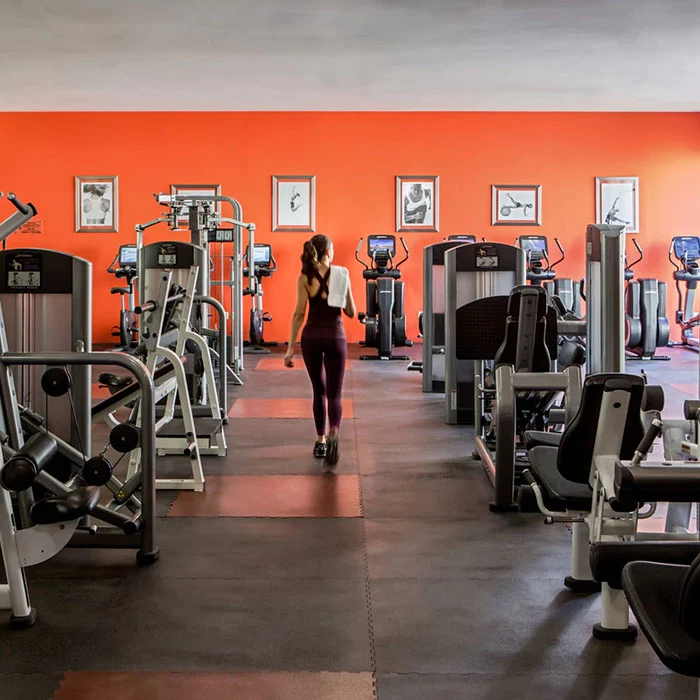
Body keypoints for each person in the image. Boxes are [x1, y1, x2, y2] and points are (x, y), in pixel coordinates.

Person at [284, 235, 356, 468]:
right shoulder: (342, 274)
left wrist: (289, 348)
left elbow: (298, 314)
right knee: (335, 393)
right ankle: (335, 429)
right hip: (336, 337)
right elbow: (351, 312)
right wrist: (341, 294)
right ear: (327, 252)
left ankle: (321, 440)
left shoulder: (304, 278)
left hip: (311, 338)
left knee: (319, 391)